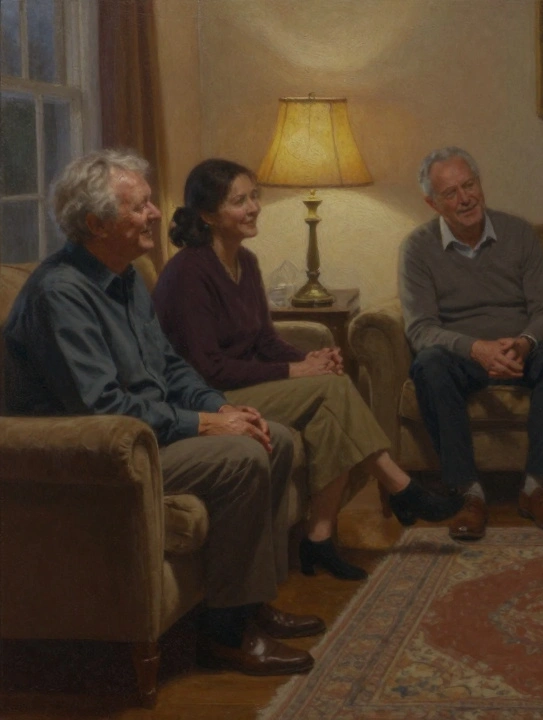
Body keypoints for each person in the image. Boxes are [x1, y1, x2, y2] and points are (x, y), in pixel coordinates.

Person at [4, 149, 319, 676]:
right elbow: (101, 408)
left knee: (277, 437)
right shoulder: (61, 294)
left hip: (152, 433)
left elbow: (170, 366)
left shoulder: (127, 275)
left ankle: (249, 604)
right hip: (104, 458)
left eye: (150, 203)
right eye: (140, 207)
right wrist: (207, 424)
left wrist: (222, 405)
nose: (156, 214)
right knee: (241, 458)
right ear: (96, 223)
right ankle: (225, 635)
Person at [152, 159, 462, 581]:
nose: (254, 207)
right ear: (207, 216)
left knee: (327, 406)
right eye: (239, 201)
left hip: (241, 384)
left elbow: (264, 340)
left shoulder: (246, 261)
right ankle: (400, 487)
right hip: (211, 400)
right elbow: (209, 368)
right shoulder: (188, 273)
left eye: (254, 196)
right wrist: (294, 373)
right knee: (330, 391)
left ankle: (319, 539)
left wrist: (306, 360)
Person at [400, 147, 543, 542]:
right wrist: (475, 349)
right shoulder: (417, 248)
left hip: (521, 349)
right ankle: (468, 493)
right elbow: (421, 329)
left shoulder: (518, 232)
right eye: (451, 193)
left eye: (470, 185)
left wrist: (524, 342)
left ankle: (537, 488)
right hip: (462, 355)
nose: (465, 198)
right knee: (429, 364)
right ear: (432, 202)